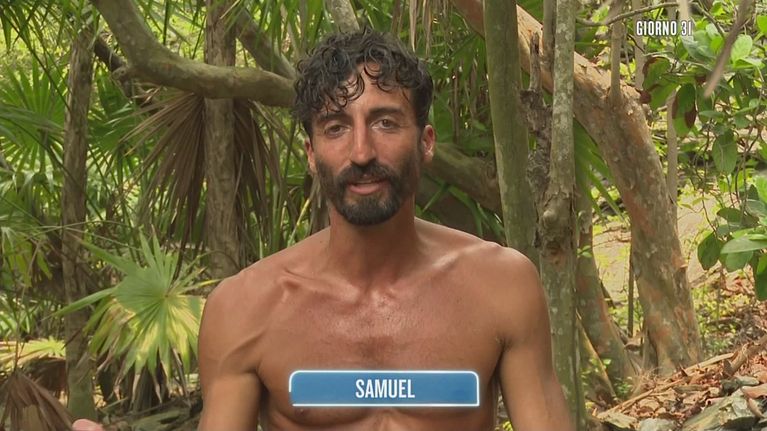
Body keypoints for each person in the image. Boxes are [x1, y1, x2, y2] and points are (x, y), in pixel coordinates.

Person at [75, 28, 573, 431]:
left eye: (385, 123)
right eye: (336, 127)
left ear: (425, 142)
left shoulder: (502, 286)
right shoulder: (246, 308)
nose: (362, 152)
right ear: (312, 154)